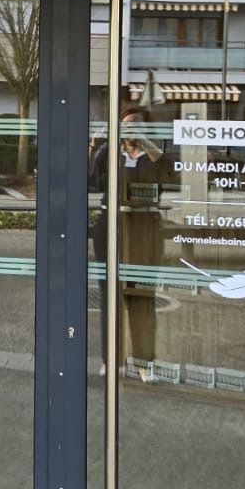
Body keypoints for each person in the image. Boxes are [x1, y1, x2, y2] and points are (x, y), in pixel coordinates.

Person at [90, 105, 170, 367]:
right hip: (110, 225)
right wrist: (94, 145)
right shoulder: (110, 153)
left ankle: (144, 361)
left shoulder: (153, 154)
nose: (130, 129)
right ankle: (112, 360)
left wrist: (144, 142)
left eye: (137, 124)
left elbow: (168, 173)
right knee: (110, 295)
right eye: (126, 124)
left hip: (144, 228)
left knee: (141, 298)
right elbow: (90, 179)